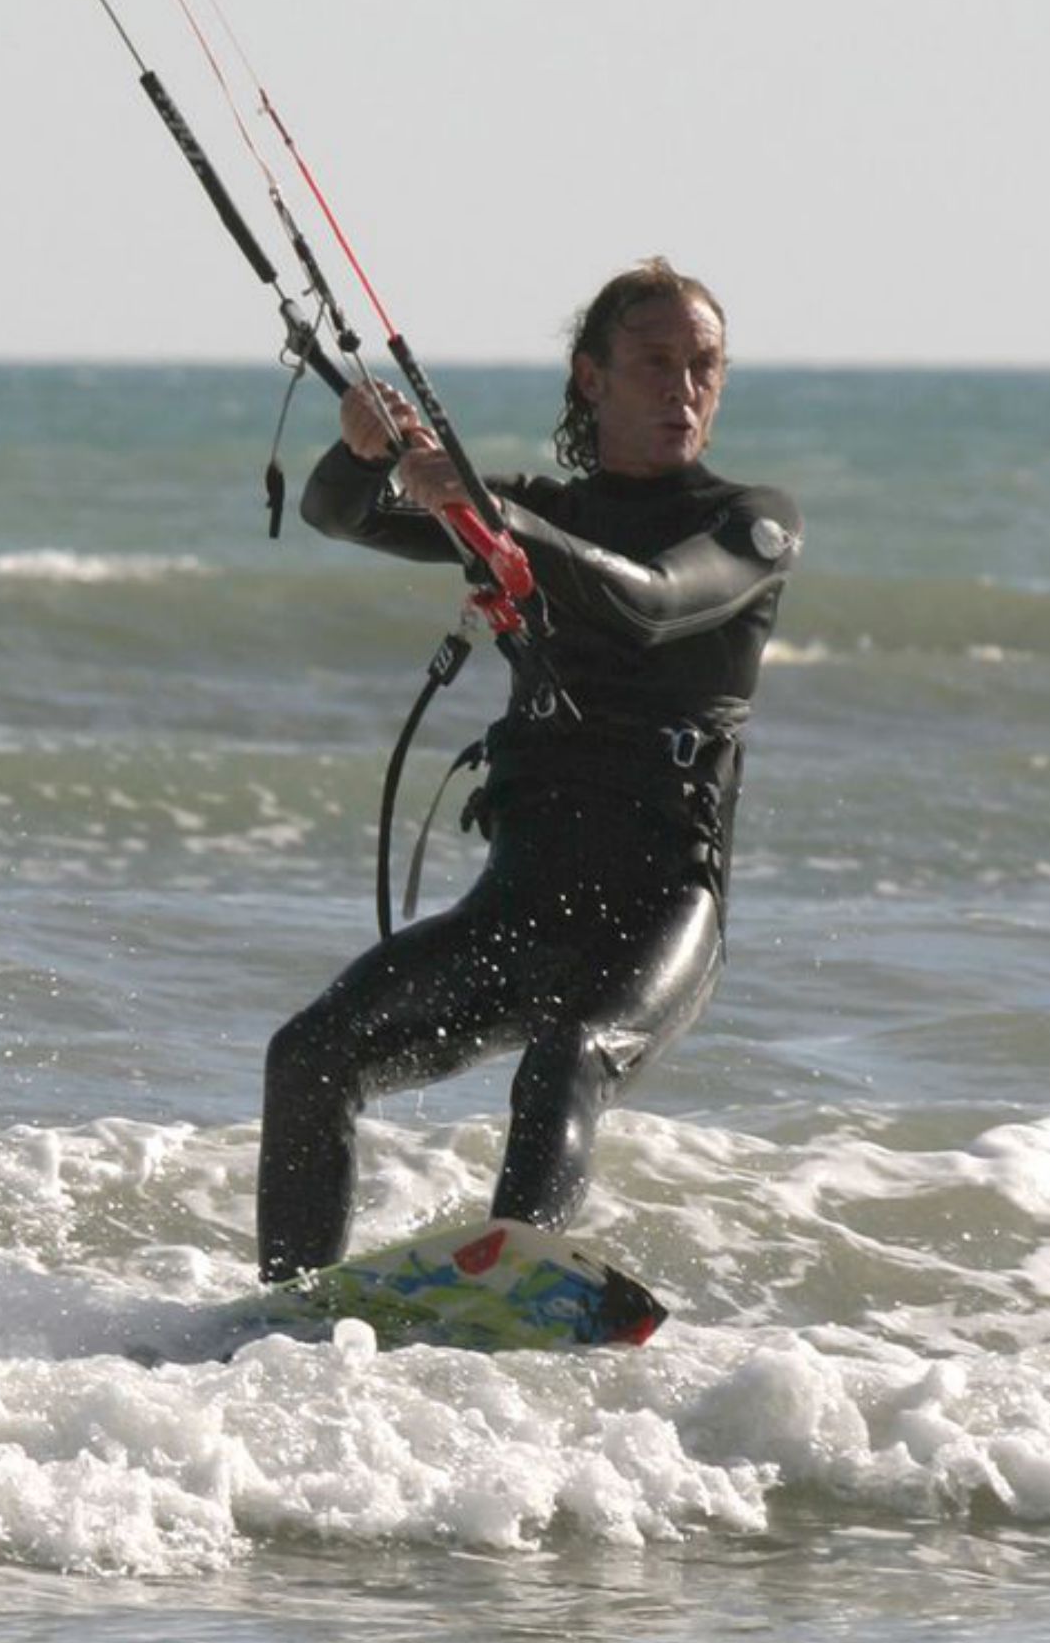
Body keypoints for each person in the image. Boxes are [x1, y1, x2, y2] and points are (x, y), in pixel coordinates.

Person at [256, 256, 802, 1282]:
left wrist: (494, 516)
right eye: (653, 364)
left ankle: (507, 1287)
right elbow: (344, 514)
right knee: (311, 1054)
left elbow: (652, 601)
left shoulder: (750, 524)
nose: (683, 390)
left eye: (704, 367)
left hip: (656, 909)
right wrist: (362, 451)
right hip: (522, 902)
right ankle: (287, 1312)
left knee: (571, 1054)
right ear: (591, 379)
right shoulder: (525, 509)